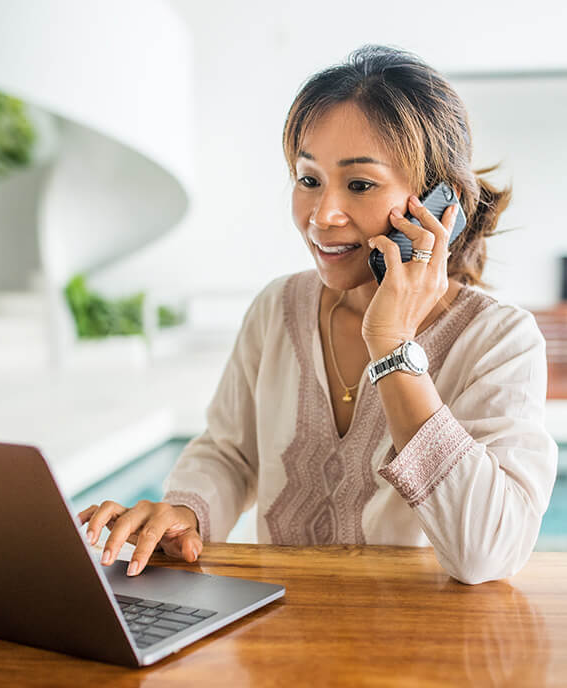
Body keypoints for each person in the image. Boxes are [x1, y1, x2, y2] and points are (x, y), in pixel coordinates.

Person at [79, 44, 558, 585]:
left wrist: (393, 344)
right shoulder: (277, 308)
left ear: (436, 202)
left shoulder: (501, 340)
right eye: (309, 180)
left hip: (424, 653)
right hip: (276, 641)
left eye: (360, 184)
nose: (322, 215)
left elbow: (486, 553)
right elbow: (230, 453)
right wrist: (186, 511)